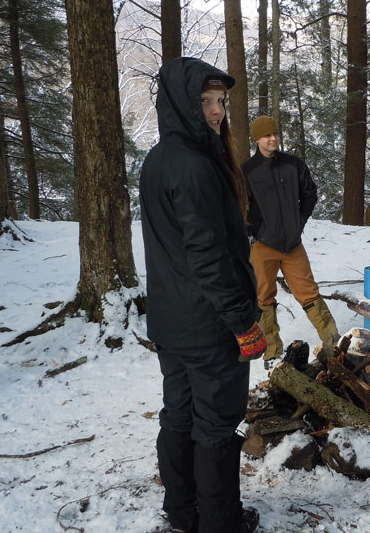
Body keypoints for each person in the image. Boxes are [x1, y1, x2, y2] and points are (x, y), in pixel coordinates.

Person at [139, 57, 265, 533]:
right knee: (215, 423)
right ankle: (220, 523)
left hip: (172, 324)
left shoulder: (158, 161)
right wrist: (242, 322)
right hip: (209, 324)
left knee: (179, 412)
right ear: (180, 106)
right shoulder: (194, 168)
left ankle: (183, 514)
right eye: (206, 102)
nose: (216, 113)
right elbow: (208, 258)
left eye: (220, 102)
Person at [241, 115, 339, 366]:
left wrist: (299, 221)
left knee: (309, 293)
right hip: (263, 246)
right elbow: (241, 206)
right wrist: (255, 229)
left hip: (293, 245)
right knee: (264, 298)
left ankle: (334, 343)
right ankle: (271, 351)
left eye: (275, 134)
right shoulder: (247, 171)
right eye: (266, 136)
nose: (272, 139)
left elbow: (310, 193)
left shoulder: (293, 164)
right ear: (257, 139)